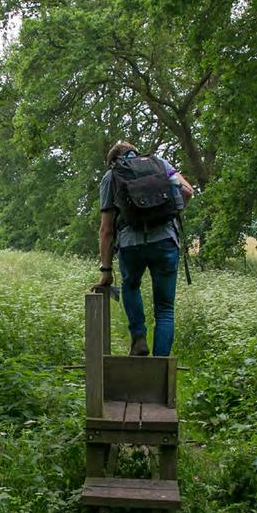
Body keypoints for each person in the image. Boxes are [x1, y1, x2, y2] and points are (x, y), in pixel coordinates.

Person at [93, 141, 193, 357]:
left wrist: (106, 271)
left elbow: (106, 230)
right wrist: (168, 214)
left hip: (131, 243)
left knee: (130, 285)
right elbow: (188, 191)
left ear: (113, 161)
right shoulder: (161, 164)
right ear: (135, 153)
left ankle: (138, 339)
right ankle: (160, 366)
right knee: (165, 309)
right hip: (166, 240)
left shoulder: (111, 176)